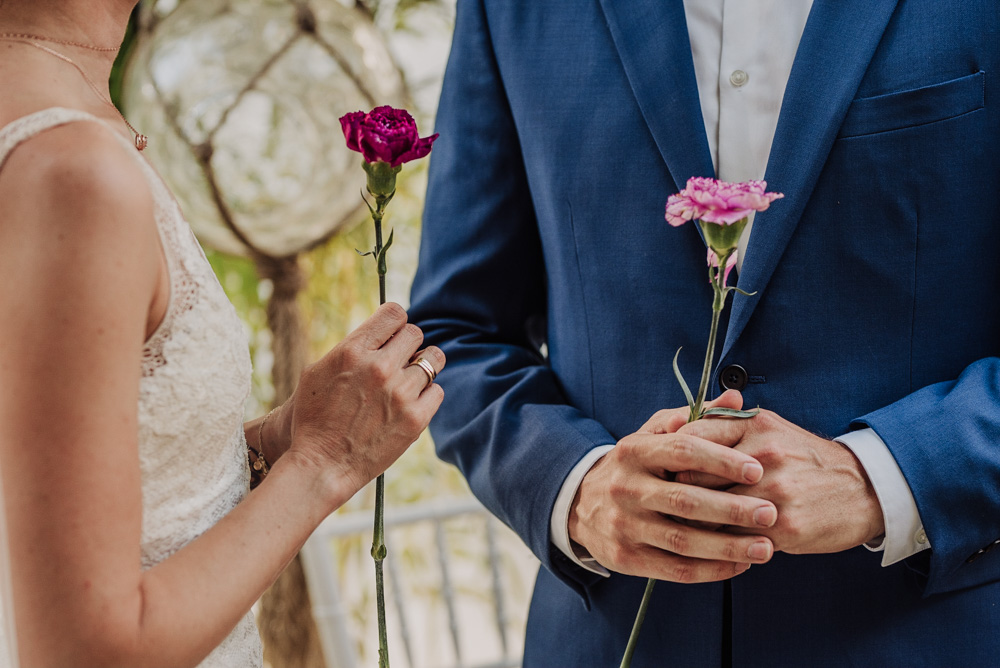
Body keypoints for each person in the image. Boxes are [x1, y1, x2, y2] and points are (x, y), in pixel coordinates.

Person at [410, 0, 1000, 666]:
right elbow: (457, 333)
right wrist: (577, 490)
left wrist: (886, 478)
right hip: (615, 641)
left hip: (929, 634)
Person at [0, 1, 447, 666]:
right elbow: (86, 651)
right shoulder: (73, 171)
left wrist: (270, 445)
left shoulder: (56, 124)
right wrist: (324, 464)